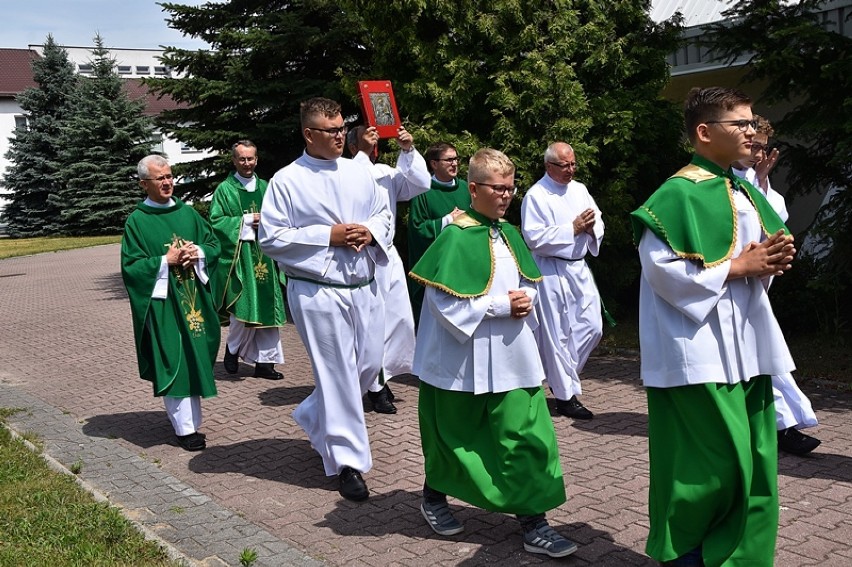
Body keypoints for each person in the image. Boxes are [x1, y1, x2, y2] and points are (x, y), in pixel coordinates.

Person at [630, 86, 795, 566]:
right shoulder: (674, 194)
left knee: (755, 464)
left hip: (748, 346)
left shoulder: (742, 189)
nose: (752, 131)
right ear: (704, 133)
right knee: (707, 471)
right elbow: (661, 271)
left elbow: (760, 247)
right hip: (695, 352)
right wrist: (740, 268)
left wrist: (769, 261)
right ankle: (686, 558)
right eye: (739, 124)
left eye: (752, 121)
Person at [409, 148, 576, 559]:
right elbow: (443, 305)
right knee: (455, 437)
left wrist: (526, 297)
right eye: (496, 188)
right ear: (473, 189)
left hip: (511, 356)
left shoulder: (510, 234)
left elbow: (528, 279)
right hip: (460, 360)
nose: (505, 195)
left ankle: (534, 522)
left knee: (526, 437)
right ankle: (434, 496)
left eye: (510, 188)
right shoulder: (453, 236)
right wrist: (502, 306)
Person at [258, 97, 392, 502]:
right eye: (330, 131)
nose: (339, 136)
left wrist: (368, 231)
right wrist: (328, 236)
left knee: (368, 369)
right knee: (336, 377)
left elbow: (384, 213)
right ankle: (348, 464)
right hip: (318, 291)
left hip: (363, 283)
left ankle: (314, 414)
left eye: (341, 128)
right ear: (308, 134)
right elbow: (272, 238)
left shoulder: (358, 172)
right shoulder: (287, 180)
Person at [732, 116, 821, 456]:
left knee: (762, 356)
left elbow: (776, 223)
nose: (757, 153)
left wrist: (763, 181)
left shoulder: (756, 183)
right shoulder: (724, 182)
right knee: (762, 357)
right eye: (753, 145)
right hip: (734, 283)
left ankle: (781, 423)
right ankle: (784, 425)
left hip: (756, 285)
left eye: (762, 147)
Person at [121, 155, 221, 452]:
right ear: (144, 184)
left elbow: (214, 244)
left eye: (169, 176)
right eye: (159, 178)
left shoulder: (188, 214)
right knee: (173, 359)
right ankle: (185, 429)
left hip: (193, 300)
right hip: (163, 304)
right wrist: (165, 260)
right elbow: (131, 268)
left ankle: (191, 422)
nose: (167, 182)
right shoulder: (137, 222)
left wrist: (198, 252)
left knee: (195, 356)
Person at [347, 124, 431, 414]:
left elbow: (420, 183)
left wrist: (407, 149)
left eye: (374, 140)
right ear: (351, 146)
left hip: (388, 256)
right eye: (365, 140)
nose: (373, 144)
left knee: (398, 322)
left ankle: (381, 377)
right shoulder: (344, 172)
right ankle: (376, 388)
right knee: (370, 325)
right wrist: (363, 151)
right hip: (359, 257)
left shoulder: (385, 172)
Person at [521, 142, 604, 420]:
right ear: (549, 166)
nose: (571, 170)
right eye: (564, 165)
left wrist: (592, 228)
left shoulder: (579, 190)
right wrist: (572, 228)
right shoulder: (536, 195)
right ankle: (566, 397)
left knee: (592, 326)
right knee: (556, 334)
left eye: (573, 164)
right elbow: (533, 237)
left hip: (578, 267)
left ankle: (562, 377)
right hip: (550, 270)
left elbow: (597, 218)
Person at [210, 140, 286, 381]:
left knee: (269, 312)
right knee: (242, 307)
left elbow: (281, 216)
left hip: (266, 253)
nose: (247, 163)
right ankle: (233, 349)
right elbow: (216, 222)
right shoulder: (225, 190)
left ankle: (265, 363)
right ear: (234, 161)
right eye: (242, 159)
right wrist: (244, 221)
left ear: (256, 159)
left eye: (250, 158)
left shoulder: (267, 187)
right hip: (240, 256)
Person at [406, 142, 471, 325]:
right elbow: (417, 228)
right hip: (437, 271)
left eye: (456, 159)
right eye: (449, 160)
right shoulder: (423, 190)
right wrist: (448, 220)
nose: (455, 164)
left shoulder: (466, 188)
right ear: (434, 164)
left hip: (464, 265)